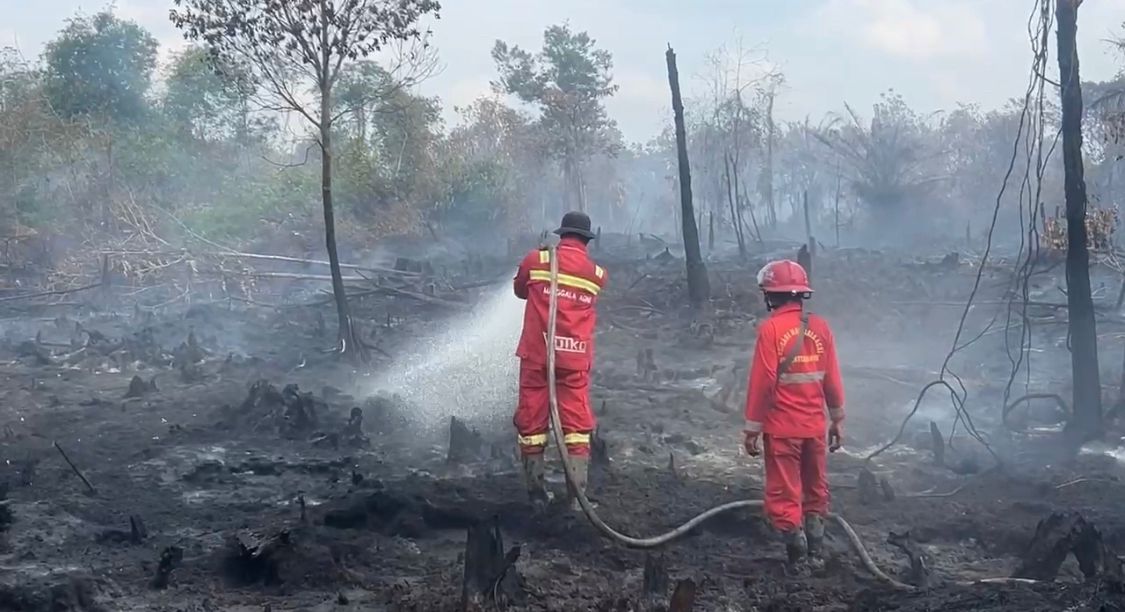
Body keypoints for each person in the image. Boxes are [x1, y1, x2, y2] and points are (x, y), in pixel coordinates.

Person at [743, 259, 845, 571]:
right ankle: (817, 553)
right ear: (801, 294)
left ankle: (797, 559)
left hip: (783, 430)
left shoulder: (771, 330)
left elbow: (762, 384)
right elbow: (832, 378)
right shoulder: (821, 327)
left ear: (771, 296)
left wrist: (751, 428)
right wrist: (838, 418)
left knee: (785, 493)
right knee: (816, 489)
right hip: (815, 427)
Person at [512, 211, 607, 510]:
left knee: (532, 424)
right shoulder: (597, 275)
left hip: (538, 356)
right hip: (574, 360)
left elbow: (519, 291)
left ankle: (536, 494)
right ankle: (576, 496)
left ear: (561, 234)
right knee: (577, 425)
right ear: (586, 240)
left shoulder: (537, 261)